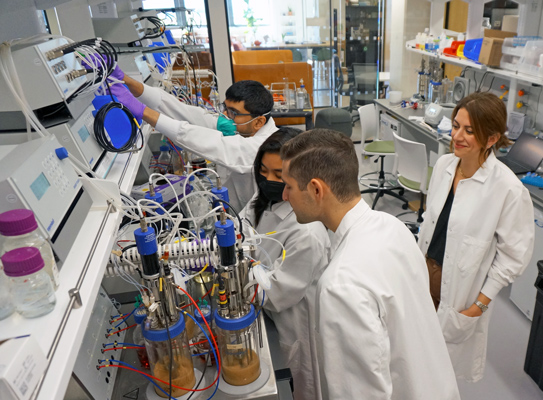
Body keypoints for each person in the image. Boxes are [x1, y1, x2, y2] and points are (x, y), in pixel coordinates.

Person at [279, 129, 460, 400]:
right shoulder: (394, 227)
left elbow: (359, 394)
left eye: (289, 185)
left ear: (316, 189)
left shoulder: (340, 285)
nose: (284, 195)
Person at [417, 92, 535, 382]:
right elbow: (431, 224)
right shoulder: (445, 166)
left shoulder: (507, 189)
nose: (457, 135)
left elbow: (513, 257)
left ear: (492, 139)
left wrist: (478, 305)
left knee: (442, 374)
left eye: (469, 131)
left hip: (461, 294)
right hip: (423, 275)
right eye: (456, 125)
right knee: (415, 356)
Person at [108, 65, 277, 211]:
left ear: (259, 122)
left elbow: (195, 136)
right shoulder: (241, 128)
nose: (225, 115)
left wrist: (143, 111)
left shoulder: (263, 148)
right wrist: (127, 81)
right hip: (232, 211)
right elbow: (183, 112)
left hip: (255, 228)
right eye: (226, 108)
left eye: (234, 113)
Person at [239, 127, 329, 400]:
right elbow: (239, 227)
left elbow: (276, 293)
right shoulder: (264, 198)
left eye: (280, 176)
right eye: (264, 171)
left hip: (293, 320)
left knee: (301, 386)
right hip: (264, 311)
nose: (269, 180)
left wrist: (243, 266)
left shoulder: (307, 231)